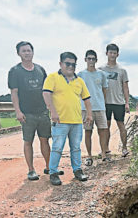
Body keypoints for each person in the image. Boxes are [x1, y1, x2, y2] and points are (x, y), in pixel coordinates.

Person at [8, 41, 62, 180]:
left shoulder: (40, 70)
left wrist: (51, 108)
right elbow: (14, 93)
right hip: (27, 113)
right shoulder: (15, 71)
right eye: (24, 51)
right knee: (28, 141)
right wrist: (18, 111)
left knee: (45, 140)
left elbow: (47, 91)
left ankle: (49, 167)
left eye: (29, 50)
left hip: (42, 112)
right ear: (18, 53)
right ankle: (31, 170)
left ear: (33, 52)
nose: (27, 53)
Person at [42, 52, 93, 186]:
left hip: (76, 121)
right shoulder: (52, 77)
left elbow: (87, 99)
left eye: (73, 64)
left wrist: (89, 114)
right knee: (57, 147)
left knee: (76, 148)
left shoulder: (79, 81)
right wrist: (52, 111)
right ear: (61, 64)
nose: (71, 67)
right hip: (60, 121)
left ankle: (77, 170)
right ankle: (53, 172)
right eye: (67, 64)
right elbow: (46, 94)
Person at [78, 50, 109, 166]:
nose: (91, 61)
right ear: (85, 60)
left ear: (96, 60)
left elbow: (104, 90)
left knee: (103, 131)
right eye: (89, 58)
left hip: (100, 107)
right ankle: (89, 156)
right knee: (88, 131)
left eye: (93, 59)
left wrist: (101, 101)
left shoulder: (101, 74)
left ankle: (104, 154)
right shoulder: (81, 75)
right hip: (86, 109)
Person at [99, 44, 130, 157]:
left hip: (119, 102)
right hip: (105, 103)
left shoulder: (122, 70)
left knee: (121, 125)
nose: (112, 55)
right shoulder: (101, 69)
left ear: (117, 54)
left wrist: (127, 102)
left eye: (114, 53)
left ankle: (125, 148)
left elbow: (125, 87)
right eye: (110, 52)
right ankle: (105, 149)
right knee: (105, 127)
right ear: (106, 53)